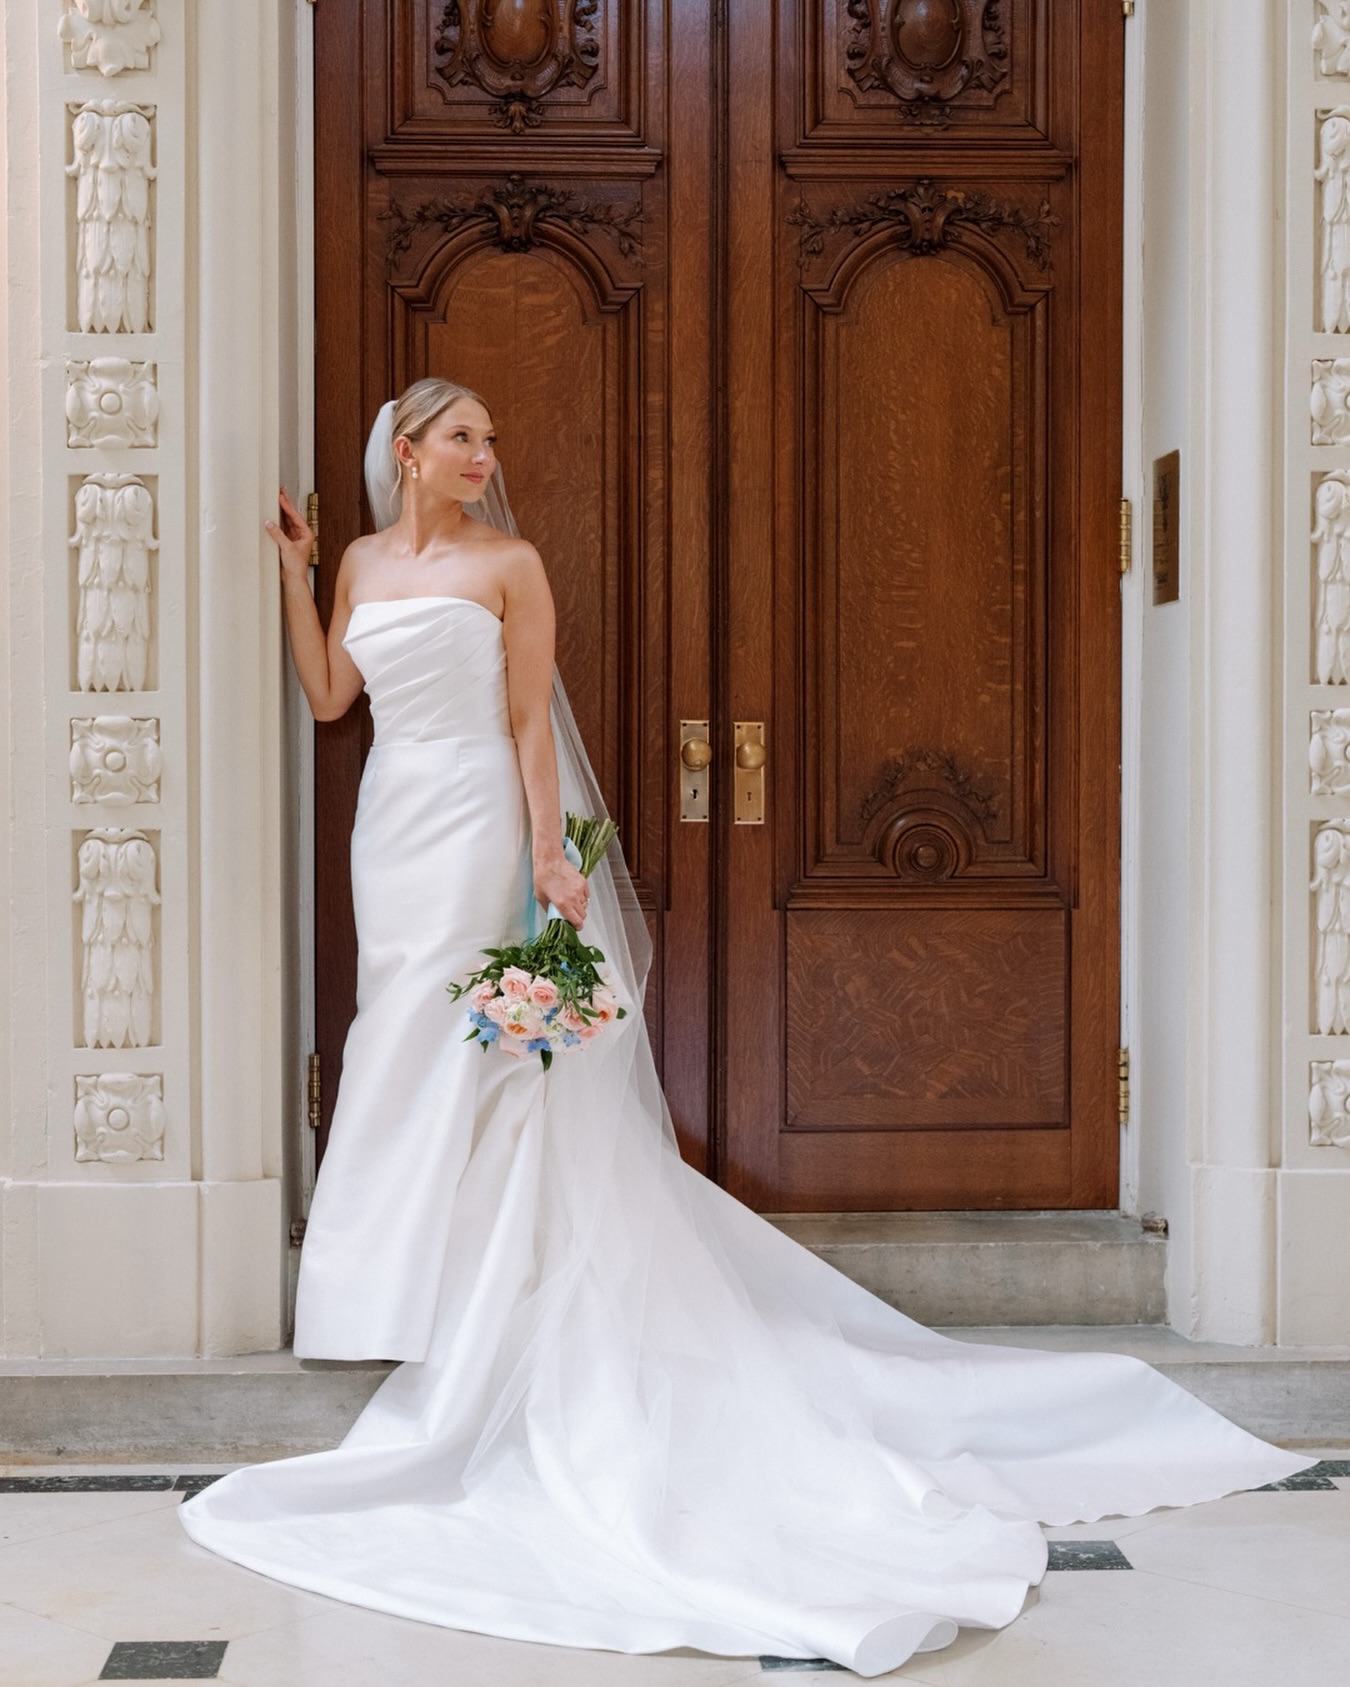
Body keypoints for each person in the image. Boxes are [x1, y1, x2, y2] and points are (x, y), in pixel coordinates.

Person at [181, 378, 1311, 1677]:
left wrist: (549, 862)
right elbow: (330, 699)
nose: (488, 455)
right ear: (408, 453)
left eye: (491, 435)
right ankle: (376, 1287)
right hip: (391, 825)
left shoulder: (513, 563)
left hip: (480, 821)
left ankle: (461, 1294)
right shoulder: (368, 561)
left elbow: (526, 725)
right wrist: (292, 571)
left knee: (470, 1049)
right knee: (393, 1038)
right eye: (463, 438)